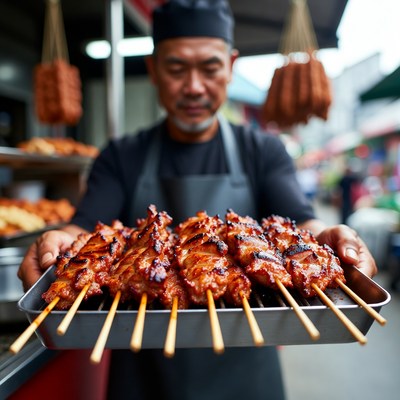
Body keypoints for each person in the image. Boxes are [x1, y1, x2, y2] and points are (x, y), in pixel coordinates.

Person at [18, 1, 377, 399]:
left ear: (231, 65)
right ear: (154, 70)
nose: (193, 86)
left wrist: (325, 239)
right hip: (142, 370)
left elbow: (299, 222)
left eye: (209, 68)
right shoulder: (121, 155)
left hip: (247, 369)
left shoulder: (264, 150)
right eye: (176, 69)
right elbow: (84, 229)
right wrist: (58, 243)